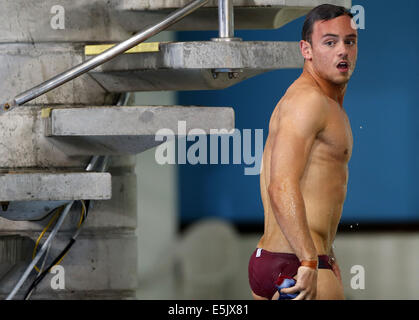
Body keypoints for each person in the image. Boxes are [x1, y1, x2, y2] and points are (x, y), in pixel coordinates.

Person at [248, 4, 358, 300]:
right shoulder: (308, 101)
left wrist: (326, 253)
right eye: (330, 42)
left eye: (349, 41)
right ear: (306, 50)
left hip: (276, 259)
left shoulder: (324, 101)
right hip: (297, 262)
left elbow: (317, 189)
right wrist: (310, 260)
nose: (343, 51)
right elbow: (281, 185)